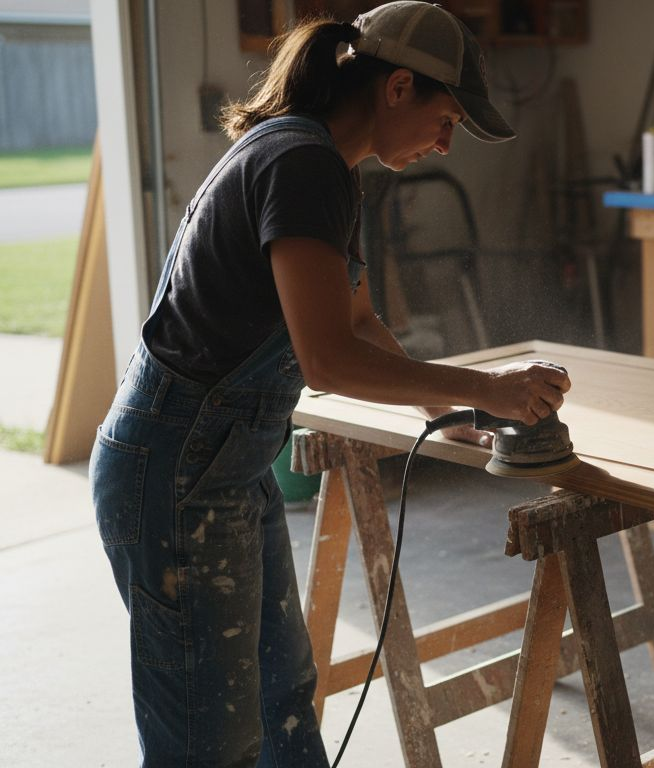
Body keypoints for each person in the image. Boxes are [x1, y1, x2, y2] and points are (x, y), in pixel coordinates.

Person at [89, 3, 568, 765]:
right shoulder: (299, 163)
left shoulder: (329, 170)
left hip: (222, 466)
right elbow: (329, 361)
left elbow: (362, 322)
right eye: (445, 120)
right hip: (172, 470)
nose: (444, 143)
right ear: (399, 86)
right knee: (207, 741)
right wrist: (493, 386)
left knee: (283, 694)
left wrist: (455, 410)